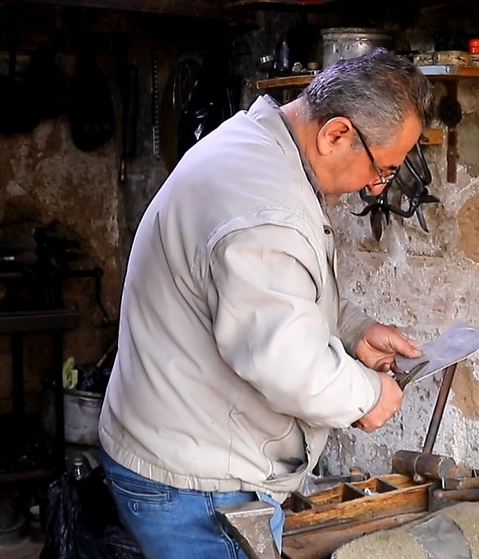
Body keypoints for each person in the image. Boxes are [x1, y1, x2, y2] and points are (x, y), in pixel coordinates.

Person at [98, 48, 435, 559]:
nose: (375, 185)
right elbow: (288, 363)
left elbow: (262, 293)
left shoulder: (254, 146)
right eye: (382, 169)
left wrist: (352, 331)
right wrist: (369, 396)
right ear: (336, 134)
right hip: (198, 485)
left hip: (173, 447)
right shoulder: (264, 208)